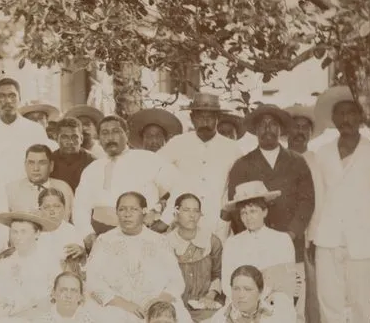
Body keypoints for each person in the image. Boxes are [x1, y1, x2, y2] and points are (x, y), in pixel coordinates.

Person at [311, 87, 370, 323]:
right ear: (333, 119)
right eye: (340, 114)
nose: (346, 118)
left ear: (361, 117)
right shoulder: (321, 154)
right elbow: (318, 196)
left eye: (351, 113)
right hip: (328, 235)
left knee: (360, 298)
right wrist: (313, 235)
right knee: (329, 296)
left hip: (363, 237)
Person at [84, 192, 196, 323]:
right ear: (117, 213)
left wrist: (158, 302)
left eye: (133, 209)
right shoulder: (105, 240)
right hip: (118, 304)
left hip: (154, 303)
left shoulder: (159, 241)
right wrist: (124, 304)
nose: (127, 214)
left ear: (143, 212)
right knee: (107, 320)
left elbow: (176, 280)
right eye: (122, 209)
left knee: (175, 317)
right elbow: (93, 281)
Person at [224, 103, 315, 263]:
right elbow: (236, 207)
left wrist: (291, 234)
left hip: (290, 241)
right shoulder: (242, 164)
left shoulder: (297, 162)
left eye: (273, 124)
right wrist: (251, 236)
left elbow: (307, 201)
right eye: (262, 125)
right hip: (253, 245)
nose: (267, 129)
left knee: (288, 285)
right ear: (256, 130)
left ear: (281, 129)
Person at [72, 115, 179, 239]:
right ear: (99, 138)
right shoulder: (92, 169)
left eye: (116, 132)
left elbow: (179, 189)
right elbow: (80, 206)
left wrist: (165, 221)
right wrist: (87, 234)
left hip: (142, 234)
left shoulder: (149, 159)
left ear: (126, 134)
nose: (110, 138)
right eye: (104, 133)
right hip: (102, 235)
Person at [157, 93, 243, 237]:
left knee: (216, 257)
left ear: (218, 118)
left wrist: (227, 213)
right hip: (181, 221)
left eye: (209, 117)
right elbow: (153, 171)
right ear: (192, 118)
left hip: (217, 222)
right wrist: (162, 208)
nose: (204, 122)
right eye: (199, 117)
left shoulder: (232, 149)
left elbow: (239, 187)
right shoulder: (177, 143)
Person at [284, 103, 328, 323]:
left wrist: (313, 233)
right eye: (295, 127)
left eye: (304, 128)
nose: (299, 132)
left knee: (310, 286)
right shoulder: (279, 158)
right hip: (283, 231)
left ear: (310, 134)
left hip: (309, 233)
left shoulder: (315, 160)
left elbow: (319, 198)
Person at [220, 182, 297, 300]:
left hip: (273, 302)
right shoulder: (232, 243)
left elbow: (286, 281)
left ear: (265, 211)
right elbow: (226, 282)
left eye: (253, 211)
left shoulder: (282, 240)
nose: (248, 217)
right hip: (240, 302)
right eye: (243, 213)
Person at [0, 211, 63, 321]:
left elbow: (54, 299)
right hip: (9, 319)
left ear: (37, 233)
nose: (18, 237)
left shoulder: (49, 261)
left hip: (40, 320)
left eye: (23, 232)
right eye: (14, 232)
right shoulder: (4, 263)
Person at [0, 78, 55, 184]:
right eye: (2, 96)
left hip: (27, 192)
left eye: (12, 96)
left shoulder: (35, 130)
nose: (7, 101)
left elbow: (44, 167)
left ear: (19, 99)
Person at [167, 193, 223, 323]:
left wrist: (210, 296)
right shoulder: (165, 243)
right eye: (186, 210)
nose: (192, 215)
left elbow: (217, 274)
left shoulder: (212, 241)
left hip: (205, 305)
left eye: (196, 211)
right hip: (174, 305)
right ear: (176, 213)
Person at [6, 144, 74, 218]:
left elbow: (74, 221)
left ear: (51, 166)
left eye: (42, 163)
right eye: (31, 163)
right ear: (25, 165)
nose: (36, 169)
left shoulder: (64, 188)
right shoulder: (11, 190)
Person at [35, 188, 86, 268]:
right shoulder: (34, 231)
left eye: (57, 206)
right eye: (46, 207)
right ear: (40, 210)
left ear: (64, 208)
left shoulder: (72, 231)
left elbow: (80, 265)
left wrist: (82, 254)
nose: (52, 211)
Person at [50, 116, 96, 194]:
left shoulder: (92, 162)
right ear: (56, 138)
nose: (70, 142)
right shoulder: (50, 160)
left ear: (81, 139)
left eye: (75, 137)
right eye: (65, 137)